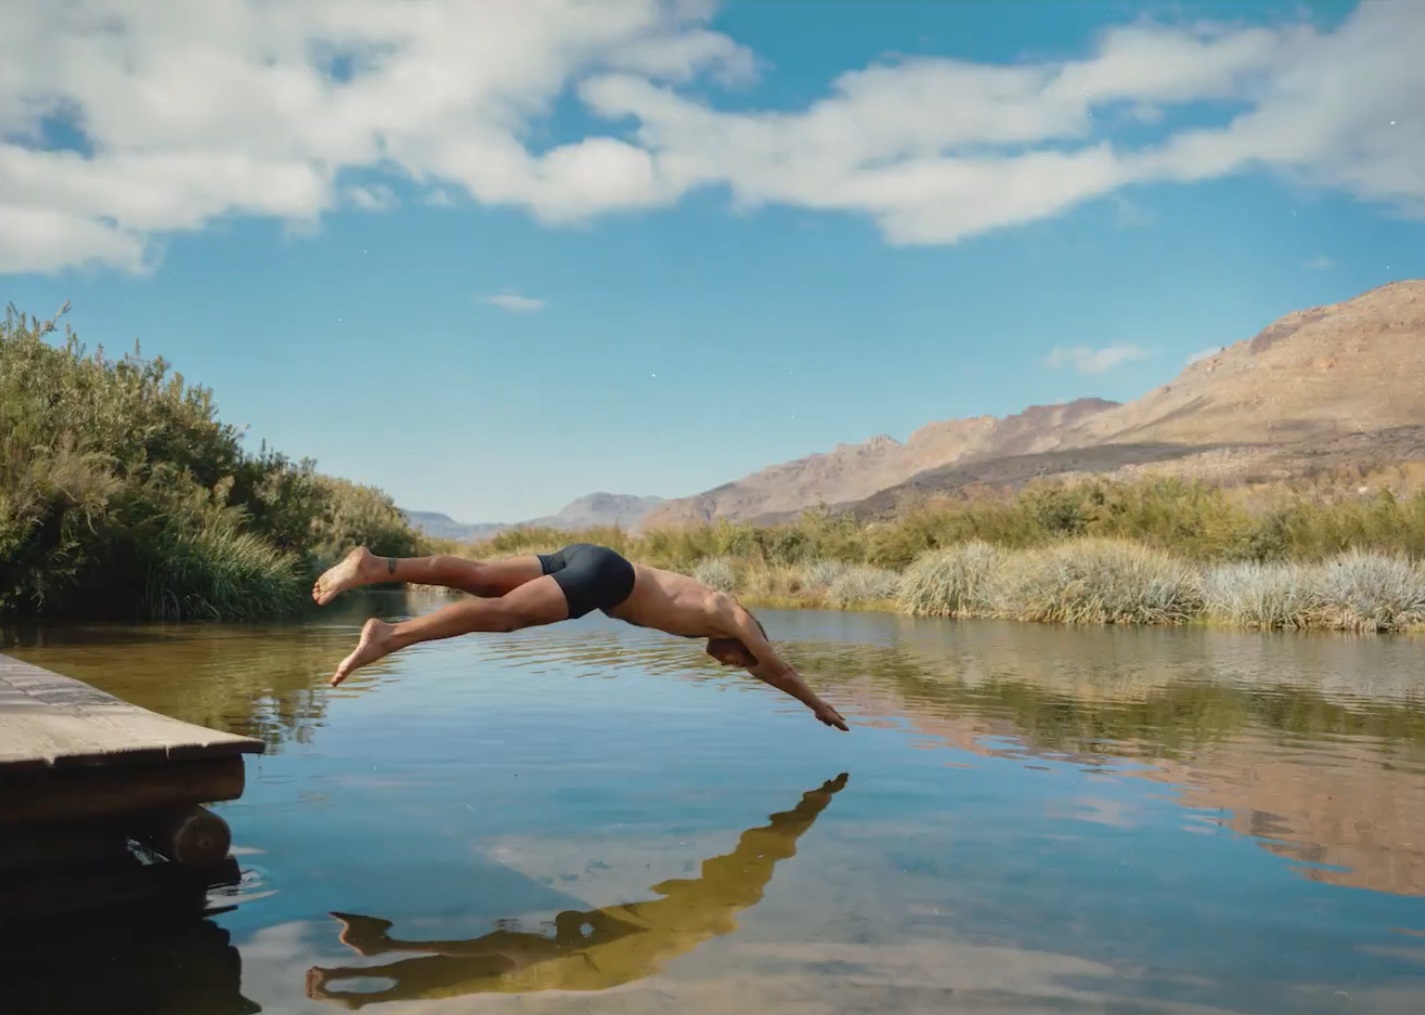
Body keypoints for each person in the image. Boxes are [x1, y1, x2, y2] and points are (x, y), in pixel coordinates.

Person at [312, 543, 849, 731]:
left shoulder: (711, 612)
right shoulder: (735, 618)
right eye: (738, 663)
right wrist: (816, 705)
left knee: (477, 574)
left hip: (591, 560)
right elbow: (777, 669)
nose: (733, 666)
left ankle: (375, 565)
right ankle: (389, 635)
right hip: (606, 578)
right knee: (500, 615)